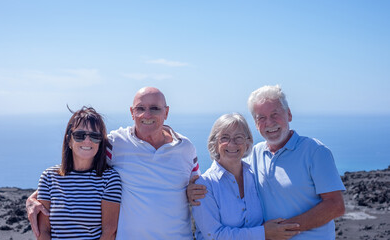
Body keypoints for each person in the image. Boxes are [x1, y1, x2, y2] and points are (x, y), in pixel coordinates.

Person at [27, 87, 200, 239]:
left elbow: (196, 185)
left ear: (166, 112)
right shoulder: (115, 143)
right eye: (140, 108)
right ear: (132, 112)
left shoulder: (186, 148)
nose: (146, 115)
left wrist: (194, 190)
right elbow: (78, 167)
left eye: (154, 108)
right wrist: (34, 197)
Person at [188, 85, 345, 239]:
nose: (269, 123)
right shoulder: (254, 155)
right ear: (256, 125)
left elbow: (335, 206)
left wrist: (282, 229)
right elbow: (225, 169)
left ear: (289, 114)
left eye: (275, 114)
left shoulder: (315, 151)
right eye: (261, 118)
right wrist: (190, 190)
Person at [192, 113, 299, 240]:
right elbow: (214, 236)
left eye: (238, 137)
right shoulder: (204, 185)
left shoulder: (255, 177)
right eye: (225, 138)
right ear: (214, 143)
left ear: (247, 143)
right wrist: (263, 233)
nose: (232, 144)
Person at [36, 106, 122, 240]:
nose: (87, 141)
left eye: (95, 136)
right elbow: (43, 231)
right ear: (69, 140)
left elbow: (109, 232)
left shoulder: (110, 179)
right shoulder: (49, 177)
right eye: (79, 135)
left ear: (100, 142)